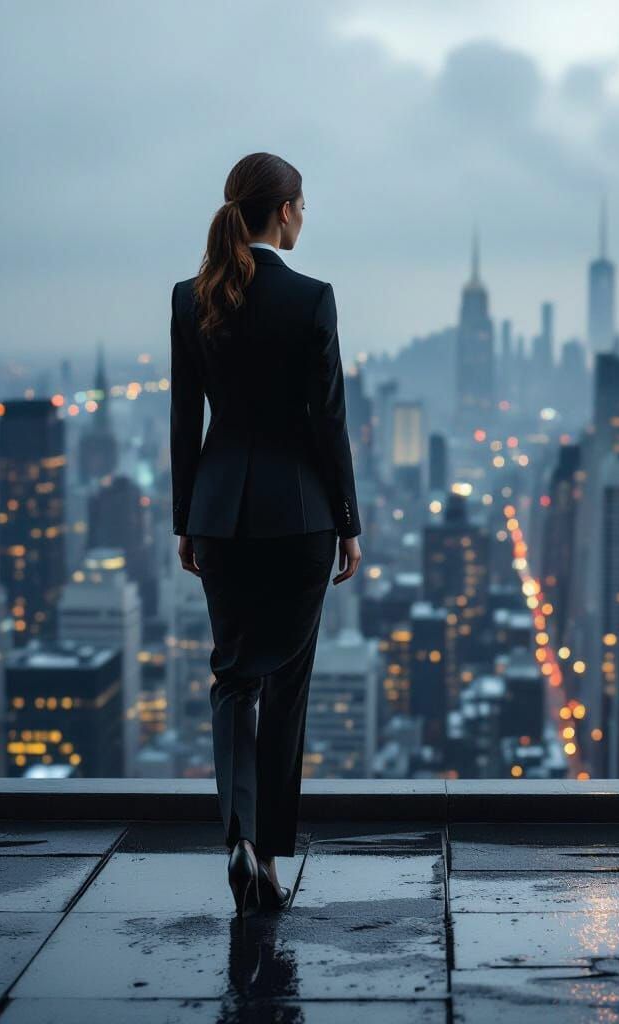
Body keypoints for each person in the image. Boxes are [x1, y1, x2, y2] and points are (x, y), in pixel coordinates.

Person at [169, 152, 362, 916]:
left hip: (221, 514)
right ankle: (272, 860)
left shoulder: (191, 298)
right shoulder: (311, 297)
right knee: (288, 686)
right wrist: (348, 522)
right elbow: (328, 419)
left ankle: (240, 835)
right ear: (283, 212)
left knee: (232, 679)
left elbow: (187, 423)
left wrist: (187, 519)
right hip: (300, 517)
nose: (305, 217)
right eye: (303, 206)